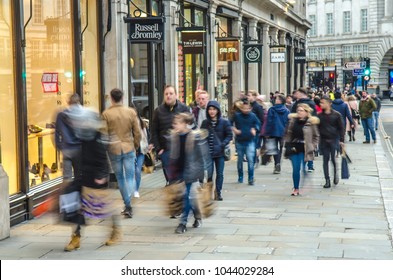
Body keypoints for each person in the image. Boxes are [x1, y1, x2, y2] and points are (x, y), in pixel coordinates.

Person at [64, 112, 121, 251]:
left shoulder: (96, 139)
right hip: (82, 176)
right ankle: (76, 237)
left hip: (96, 179)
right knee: (77, 208)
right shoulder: (80, 137)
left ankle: (116, 231)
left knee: (104, 207)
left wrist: (102, 176)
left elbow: (103, 160)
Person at [102, 88, 141, 218]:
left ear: (111, 98)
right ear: (122, 98)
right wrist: (135, 144)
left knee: (120, 178)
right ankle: (130, 197)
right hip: (129, 147)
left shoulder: (106, 114)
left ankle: (128, 204)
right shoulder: (130, 112)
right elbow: (137, 132)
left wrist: (107, 148)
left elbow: (104, 134)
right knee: (130, 176)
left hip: (114, 149)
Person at [167, 113, 208, 234]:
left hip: (191, 171)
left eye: (177, 123)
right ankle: (197, 215)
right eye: (174, 123)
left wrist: (203, 176)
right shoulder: (174, 137)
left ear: (185, 124)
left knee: (186, 197)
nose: (175, 125)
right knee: (189, 198)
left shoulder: (195, 137)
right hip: (178, 171)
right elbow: (173, 156)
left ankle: (182, 223)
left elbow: (201, 157)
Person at [150, 85, 189, 184]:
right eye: (166, 94)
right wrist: (159, 149)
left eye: (171, 93)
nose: (168, 96)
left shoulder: (184, 108)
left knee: (182, 178)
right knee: (172, 179)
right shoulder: (158, 111)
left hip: (182, 150)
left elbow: (191, 127)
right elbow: (154, 131)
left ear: (176, 95)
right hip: (166, 151)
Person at [284, 103, 319, 196]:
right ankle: (296, 188)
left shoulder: (311, 122)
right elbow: (288, 133)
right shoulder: (293, 121)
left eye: (301, 110)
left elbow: (316, 136)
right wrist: (287, 143)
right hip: (294, 147)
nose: (299, 112)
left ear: (306, 112)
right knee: (296, 168)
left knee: (302, 168)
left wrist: (313, 146)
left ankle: (304, 184)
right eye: (298, 110)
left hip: (305, 148)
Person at [201, 100, 233, 201]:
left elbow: (229, 135)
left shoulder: (224, 122)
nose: (212, 111)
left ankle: (218, 192)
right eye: (210, 109)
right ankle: (209, 191)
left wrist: (222, 144)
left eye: (214, 109)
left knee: (220, 173)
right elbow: (201, 136)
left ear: (218, 110)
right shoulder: (205, 123)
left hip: (220, 153)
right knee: (209, 174)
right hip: (208, 153)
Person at [55, 93, 83, 182]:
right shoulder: (82, 115)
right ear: (78, 102)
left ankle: (67, 194)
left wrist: (59, 146)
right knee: (79, 175)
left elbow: (57, 132)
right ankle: (78, 194)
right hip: (79, 148)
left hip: (66, 148)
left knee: (67, 177)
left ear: (68, 102)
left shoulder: (61, 115)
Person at [318, 96, 345, 188]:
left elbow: (341, 128)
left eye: (323, 103)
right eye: (320, 103)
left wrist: (341, 140)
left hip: (334, 140)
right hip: (324, 140)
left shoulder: (337, 115)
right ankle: (327, 180)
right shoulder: (319, 116)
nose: (321, 104)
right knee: (325, 160)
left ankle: (335, 174)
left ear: (329, 104)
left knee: (333, 159)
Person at [232, 100, 261, 185]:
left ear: (250, 108)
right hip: (240, 140)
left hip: (250, 140)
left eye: (248, 108)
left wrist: (255, 129)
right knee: (240, 160)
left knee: (250, 159)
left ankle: (250, 178)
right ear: (241, 108)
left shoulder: (253, 116)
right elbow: (229, 123)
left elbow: (258, 124)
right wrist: (234, 130)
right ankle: (240, 176)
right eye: (244, 108)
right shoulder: (237, 116)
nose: (246, 110)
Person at [291, 88, 317, 173]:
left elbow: (292, 114)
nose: (295, 95)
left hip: (301, 126)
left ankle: (305, 165)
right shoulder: (311, 102)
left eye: (297, 93)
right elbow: (315, 115)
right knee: (308, 146)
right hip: (308, 126)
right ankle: (310, 165)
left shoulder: (297, 103)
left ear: (302, 93)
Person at [264, 94, 290, 174]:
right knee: (280, 149)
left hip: (273, 131)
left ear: (280, 101)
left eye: (277, 99)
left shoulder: (272, 109)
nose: (275, 100)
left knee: (275, 149)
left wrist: (267, 132)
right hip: (282, 132)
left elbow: (269, 122)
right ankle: (278, 163)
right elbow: (288, 122)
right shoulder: (286, 110)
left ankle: (277, 164)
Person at [130, 103, 150, 198]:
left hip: (140, 150)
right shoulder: (127, 122)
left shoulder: (142, 122)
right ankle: (131, 189)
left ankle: (136, 190)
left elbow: (146, 136)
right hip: (131, 150)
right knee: (131, 171)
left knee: (137, 170)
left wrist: (148, 147)